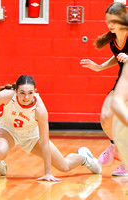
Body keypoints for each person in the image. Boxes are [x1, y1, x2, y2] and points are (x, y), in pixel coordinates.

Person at [0, 75, 101, 181]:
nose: (26, 97)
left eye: (30, 93)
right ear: (15, 90)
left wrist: (47, 173)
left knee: (64, 167)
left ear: (35, 91)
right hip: (7, 131)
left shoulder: (40, 110)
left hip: (32, 137)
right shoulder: (6, 96)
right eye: (22, 92)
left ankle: (83, 157)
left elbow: (45, 142)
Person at [80, 2, 128, 176]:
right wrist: (99, 67)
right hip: (123, 82)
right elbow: (117, 57)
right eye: (108, 21)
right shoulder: (113, 40)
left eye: (113, 20)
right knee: (106, 117)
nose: (110, 25)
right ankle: (114, 145)